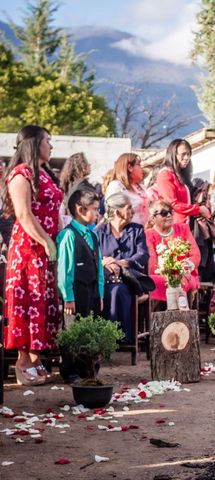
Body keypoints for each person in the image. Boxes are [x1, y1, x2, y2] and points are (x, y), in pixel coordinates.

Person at [2, 125, 63, 386]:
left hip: (45, 249)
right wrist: (47, 241)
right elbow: (24, 215)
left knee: (43, 303)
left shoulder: (44, 174)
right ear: (35, 144)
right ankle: (22, 362)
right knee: (27, 303)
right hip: (29, 249)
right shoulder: (20, 174)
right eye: (47, 141)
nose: (51, 146)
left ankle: (36, 359)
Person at [56, 189, 104, 383]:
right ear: (80, 209)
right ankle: (70, 370)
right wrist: (68, 296)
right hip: (75, 292)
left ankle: (88, 368)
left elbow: (99, 266)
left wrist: (100, 293)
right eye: (94, 209)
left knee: (90, 327)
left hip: (92, 290)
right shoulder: (68, 235)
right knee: (73, 329)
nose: (98, 213)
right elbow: (64, 269)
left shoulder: (93, 236)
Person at [94, 193, 149, 342]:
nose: (133, 211)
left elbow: (142, 255)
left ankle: (121, 337)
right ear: (118, 212)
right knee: (109, 290)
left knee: (118, 290)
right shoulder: (99, 232)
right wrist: (105, 262)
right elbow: (93, 257)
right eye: (129, 208)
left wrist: (119, 263)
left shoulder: (136, 230)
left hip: (130, 280)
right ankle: (106, 337)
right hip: (105, 279)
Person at [146, 199, 201, 307]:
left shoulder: (183, 228)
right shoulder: (148, 234)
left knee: (180, 281)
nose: (169, 215)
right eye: (163, 213)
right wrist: (170, 272)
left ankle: (181, 319)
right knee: (152, 282)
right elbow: (152, 264)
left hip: (185, 273)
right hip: (160, 274)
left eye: (170, 211)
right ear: (153, 218)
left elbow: (195, 254)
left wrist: (185, 267)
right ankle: (157, 319)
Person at [153, 139, 211, 223]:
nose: (187, 158)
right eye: (183, 154)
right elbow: (171, 204)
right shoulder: (165, 174)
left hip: (188, 224)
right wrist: (198, 210)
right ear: (173, 154)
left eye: (188, 154)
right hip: (175, 226)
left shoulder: (180, 175)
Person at [105, 153, 149, 226]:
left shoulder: (140, 187)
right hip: (127, 233)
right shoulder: (116, 186)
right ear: (130, 167)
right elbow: (111, 214)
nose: (142, 167)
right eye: (139, 164)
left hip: (143, 232)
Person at [59, 152, 95, 219]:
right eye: (86, 163)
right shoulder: (83, 186)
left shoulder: (70, 185)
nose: (89, 165)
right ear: (81, 166)